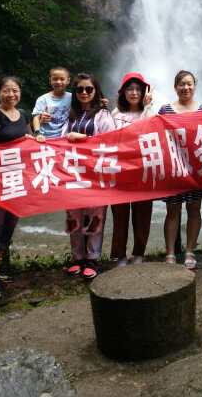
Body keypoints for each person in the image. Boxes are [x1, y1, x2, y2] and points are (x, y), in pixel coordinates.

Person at [0, 77, 38, 299]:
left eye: (15, 90)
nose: (11, 94)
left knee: (9, 225)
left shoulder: (23, 115)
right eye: (6, 91)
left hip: (16, 181)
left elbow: (29, 137)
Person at [64, 73, 116, 279]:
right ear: (75, 93)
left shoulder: (103, 115)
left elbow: (110, 140)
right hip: (73, 172)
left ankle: (92, 259)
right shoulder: (70, 115)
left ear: (96, 92)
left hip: (96, 173)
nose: (84, 93)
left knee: (95, 216)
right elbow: (60, 140)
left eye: (89, 89)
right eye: (80, 89)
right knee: (73, 216)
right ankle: (77, 257)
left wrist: (83, 138)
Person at [159, 70, 202, 270]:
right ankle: (170, 253)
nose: (186, 87)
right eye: (181, 84)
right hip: (174, 167)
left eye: (189, 84)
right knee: (173, 210)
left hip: (196, 168)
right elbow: (157, 136)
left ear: (194, 86)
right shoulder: (165, 110)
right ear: (175, 87)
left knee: (194, 209)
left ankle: (189, 251)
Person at [110, 72, 155, 265]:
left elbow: (150, 129)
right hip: (120, 170)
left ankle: (139, 253)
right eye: (130, 89)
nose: (134, 92)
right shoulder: (115, 114)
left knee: (143, 213)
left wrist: (148, 105)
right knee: (120, 215)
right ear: (123, 92)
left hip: (143, 169)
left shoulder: (151, 112)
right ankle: (120, 254)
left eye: (138, 89)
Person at [31, 67, 72, 139]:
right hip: (45, 137)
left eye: (62, 79)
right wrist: (37, 132)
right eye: (55, 79)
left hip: (65, 137)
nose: (58, 82)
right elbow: (36, 117)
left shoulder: (72, 97)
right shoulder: (43, 99)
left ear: (68, 81)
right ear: (50, 80)